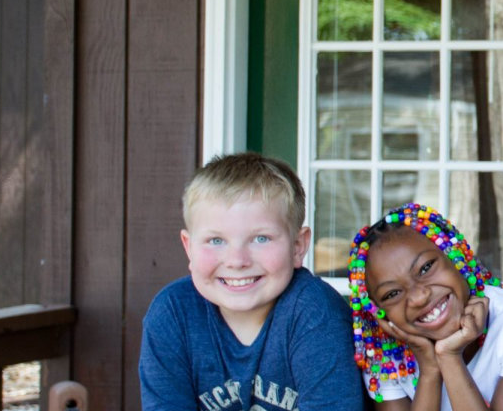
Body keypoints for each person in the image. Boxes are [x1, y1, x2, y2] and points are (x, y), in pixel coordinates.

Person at [140, 152, 364, 411]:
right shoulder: (172, 314)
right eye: (216, 240)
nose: (237, 261)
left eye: (261, 239)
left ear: (297, 246)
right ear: (189, 248)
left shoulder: (316, 312)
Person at [349, 204, 503, 410]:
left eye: (426, 268)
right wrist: (429, 370)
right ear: (378, 311)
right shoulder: (383, 351)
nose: (419, 297)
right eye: (392, 294)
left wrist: (449, 356)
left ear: (455, 257)